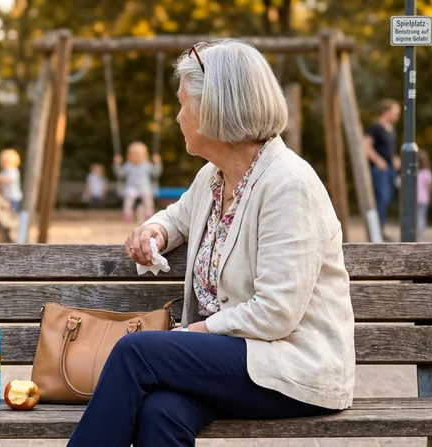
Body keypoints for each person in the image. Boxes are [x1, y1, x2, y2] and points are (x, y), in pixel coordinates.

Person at [67, 40, 355, 447]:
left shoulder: (288, 184)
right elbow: (176, 217)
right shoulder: (215, 178)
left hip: (293, 366)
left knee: (136, 353)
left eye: (184, 104)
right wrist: (154, 232)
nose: (178, 116)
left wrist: (196, 332)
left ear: (214, 109)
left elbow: (276, 312)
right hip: (235, 361)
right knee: (160, 412)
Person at [363, 99, 400, 240]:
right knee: (380, 200)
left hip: (390, 171)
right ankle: (376, 234)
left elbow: (389, 151)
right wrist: (378, 160)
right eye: (395, 112)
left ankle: (380, 231)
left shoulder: (391, 130)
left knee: (386, 200)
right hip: (379, 171)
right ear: (386, 112)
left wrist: (395, 159)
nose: (397, 115)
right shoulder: (376, 128)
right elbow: (365, 145)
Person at [113, 142, 162, 222]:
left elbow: (156, 173)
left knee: (147, 198)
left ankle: (149, 213)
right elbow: (120, 174)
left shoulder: (147, 165)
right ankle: (127, 213)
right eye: (134, 154)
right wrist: (116, 164)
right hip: (131, 187)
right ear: (129, 156)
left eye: (139, 154)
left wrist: (157, 163)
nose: (137, 156)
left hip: (145, 187)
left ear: (145, 155)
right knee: (129, 197)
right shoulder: (128, 165)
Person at [416, 151, 432, 242]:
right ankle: (420, 236)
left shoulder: (414, 173)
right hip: (423, 198)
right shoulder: (427, 173)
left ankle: (414, 234)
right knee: (421, 217)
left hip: (414, 199)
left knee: (414, 217)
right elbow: (429, 187)